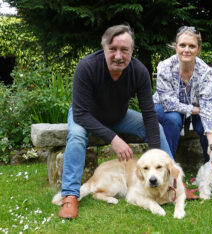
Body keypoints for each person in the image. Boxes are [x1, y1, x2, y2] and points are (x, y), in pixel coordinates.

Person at [58, 25, 173, 219]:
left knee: (156, 128)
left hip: (119, 115)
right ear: (104, 48)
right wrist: (114, 139)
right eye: (113, 49)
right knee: (76, 135)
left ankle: (172, 183)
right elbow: (79, 114)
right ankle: (69, 195)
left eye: (124, 50)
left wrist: (154, 156)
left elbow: (149, 114)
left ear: (131, 51)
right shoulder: (87, 66)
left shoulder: (139, 71)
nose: (118, 56)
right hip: (87, 115)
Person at [153, 26, 212, 169]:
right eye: (182, 45)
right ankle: (164, 168)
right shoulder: (164, 67)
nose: (186, 50)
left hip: (197, 110)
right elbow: (168, 103)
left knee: (205, 123)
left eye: (192, 46)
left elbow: (209, 105)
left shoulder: (207, 73)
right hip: (163, 108)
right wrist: (194, 109)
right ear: (176, 47)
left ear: (198, 49)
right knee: (173, 118)